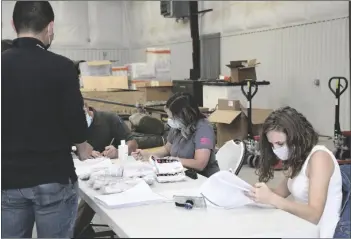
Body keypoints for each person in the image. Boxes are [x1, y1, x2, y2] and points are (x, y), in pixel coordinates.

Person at [2, 1, 92, 238]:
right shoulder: (62, 67)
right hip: (53, 176)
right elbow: (75, 120)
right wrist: (83, 147)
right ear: (50, 27)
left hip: (8, 178)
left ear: (13, 24)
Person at [246, 106, 342, 238]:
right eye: (272, 144)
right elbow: (279, 193)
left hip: (320, 232)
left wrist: (271, 198)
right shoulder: (298, 159)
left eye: (280, 143)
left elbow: (314, 214)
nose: (276, 149)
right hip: (301, 228)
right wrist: (251, 191)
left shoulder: (319, 158)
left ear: (295, 137)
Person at [74, 103, 138, 238]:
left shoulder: (109, 119)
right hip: (78, 171)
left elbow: (133, 143)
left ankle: (73, 232)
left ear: (86, 109)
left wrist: (117, 151)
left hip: (106, 172)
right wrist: (80, 150)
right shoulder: (70, 123)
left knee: (92, 194)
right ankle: (75, 231)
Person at [132, 92, 220, 177]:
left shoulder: (204, 129)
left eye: (172, 117)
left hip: (203, 179)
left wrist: (174, 161)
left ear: (184, 116)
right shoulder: (178, 127)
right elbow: (167, 149)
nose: (169, 120)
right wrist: (148, 155)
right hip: (182, 174)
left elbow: (200, 164)